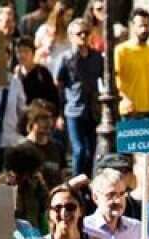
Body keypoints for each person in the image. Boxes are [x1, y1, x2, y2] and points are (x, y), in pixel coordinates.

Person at [55, 18, 103, 176]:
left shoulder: (97, 57)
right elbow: (59, 86)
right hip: (73, 110)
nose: (83, 36)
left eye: (86, 32)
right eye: (79, 33)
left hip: (92, 110)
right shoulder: (65, 58)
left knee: (91, 151)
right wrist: (59, 114)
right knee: (79, 150)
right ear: (71, 36)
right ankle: (76, 183)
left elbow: (104, 81)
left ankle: (87, 185)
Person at [83, 168, 146, 239]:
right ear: (95, 197)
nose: (118, 200)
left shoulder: (136, 227)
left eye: (121, 194)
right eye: (111, 195)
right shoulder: (85, 228)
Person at [115, 8, 149, 116]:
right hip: (130, 111)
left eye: (147, 25)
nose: (144, 29)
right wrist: (124, 99)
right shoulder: (121, 50)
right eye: (141, 26)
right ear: (133, 26)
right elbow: (113, 81)